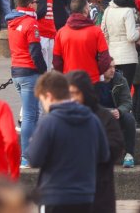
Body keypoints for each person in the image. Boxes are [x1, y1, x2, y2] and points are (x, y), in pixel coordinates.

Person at [28, 71, 109, 213]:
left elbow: (34, 159)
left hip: (54, 195)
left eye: (42, 100)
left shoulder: (48, 122)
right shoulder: (92, 119)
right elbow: (104, 155)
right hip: (86, 195)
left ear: (49, 96)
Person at [66, 70, 124, 213]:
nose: (72, 99)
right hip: (69, 189)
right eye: (69, 94)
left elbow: (115, 147)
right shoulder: (61, 117)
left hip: (98, 186)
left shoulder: (103, 117)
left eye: (76, 93)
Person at [6, 0, 46, 168]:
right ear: (30, 4)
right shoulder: (31, 23)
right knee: (30, 115)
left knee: (32, 114)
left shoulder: (12, 21)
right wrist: (44, 70)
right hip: (30, 72)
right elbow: (35, 52)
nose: (37, 5)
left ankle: (34, 152)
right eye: (36, 2)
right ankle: (26, 157)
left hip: (17, 71)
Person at [52, 0, 111, 85]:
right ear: (86, 10)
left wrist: (64, 74)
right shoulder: (96, 31)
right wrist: (96, 71)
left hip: (69, 79)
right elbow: (105, 59)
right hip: (92, 80)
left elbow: (56, 61)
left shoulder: (61, 32)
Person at [101, 0, 140, 87]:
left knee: (113, 88)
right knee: (126, 88)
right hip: (128, 55)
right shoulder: (128, 11)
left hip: (112, 54)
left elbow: (103, 31)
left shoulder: (108, 10)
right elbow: (131, 36)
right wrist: (139, 31)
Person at [20, 0, 56, 69]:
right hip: (40, 34)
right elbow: (30, 12)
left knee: (48, 72)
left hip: (49, 33)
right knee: (42, 73)